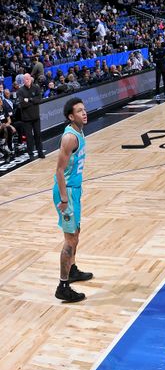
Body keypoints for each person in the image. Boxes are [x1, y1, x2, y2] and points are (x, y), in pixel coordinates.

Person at [54, 98, 93, 303]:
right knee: (70, 239)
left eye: (84, 109)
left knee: (76, 233)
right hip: (66, 192)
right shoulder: (70, 137)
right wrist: (63, 199)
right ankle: (63, 285)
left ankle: (72, 269)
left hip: (74, 190)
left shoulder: (80, 130)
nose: (84, 113)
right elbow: (59, 170)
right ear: (71, 116)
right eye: (79, 111)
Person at [17, 73, 45, 159]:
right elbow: (22, 104)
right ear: (23, 81)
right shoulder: (20, 91)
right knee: (29, 137)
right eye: (25, 79)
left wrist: (29, 99)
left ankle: (40, 152)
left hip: (36, 117)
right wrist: (32, 101)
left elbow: (39, 99)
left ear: (31, 79)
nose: (27, 80)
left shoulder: (36, 87)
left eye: (28, 79)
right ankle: (31, 154)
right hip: (26, 118)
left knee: (38, 134)